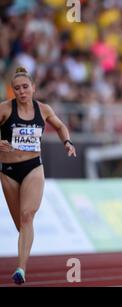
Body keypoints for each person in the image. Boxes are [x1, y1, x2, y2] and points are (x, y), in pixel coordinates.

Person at [0, 67, 77, 285]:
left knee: (27, 217)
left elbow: (61, 126)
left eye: (25, 87)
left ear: (33, 87)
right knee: (20, 225)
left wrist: (68, 142)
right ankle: (24, 252)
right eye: (17, 89)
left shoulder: (43, 109)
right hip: (8, 172)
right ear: (12, 91)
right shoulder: (5, 109)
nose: (22, 91)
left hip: (34, 167)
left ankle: (20, 270)